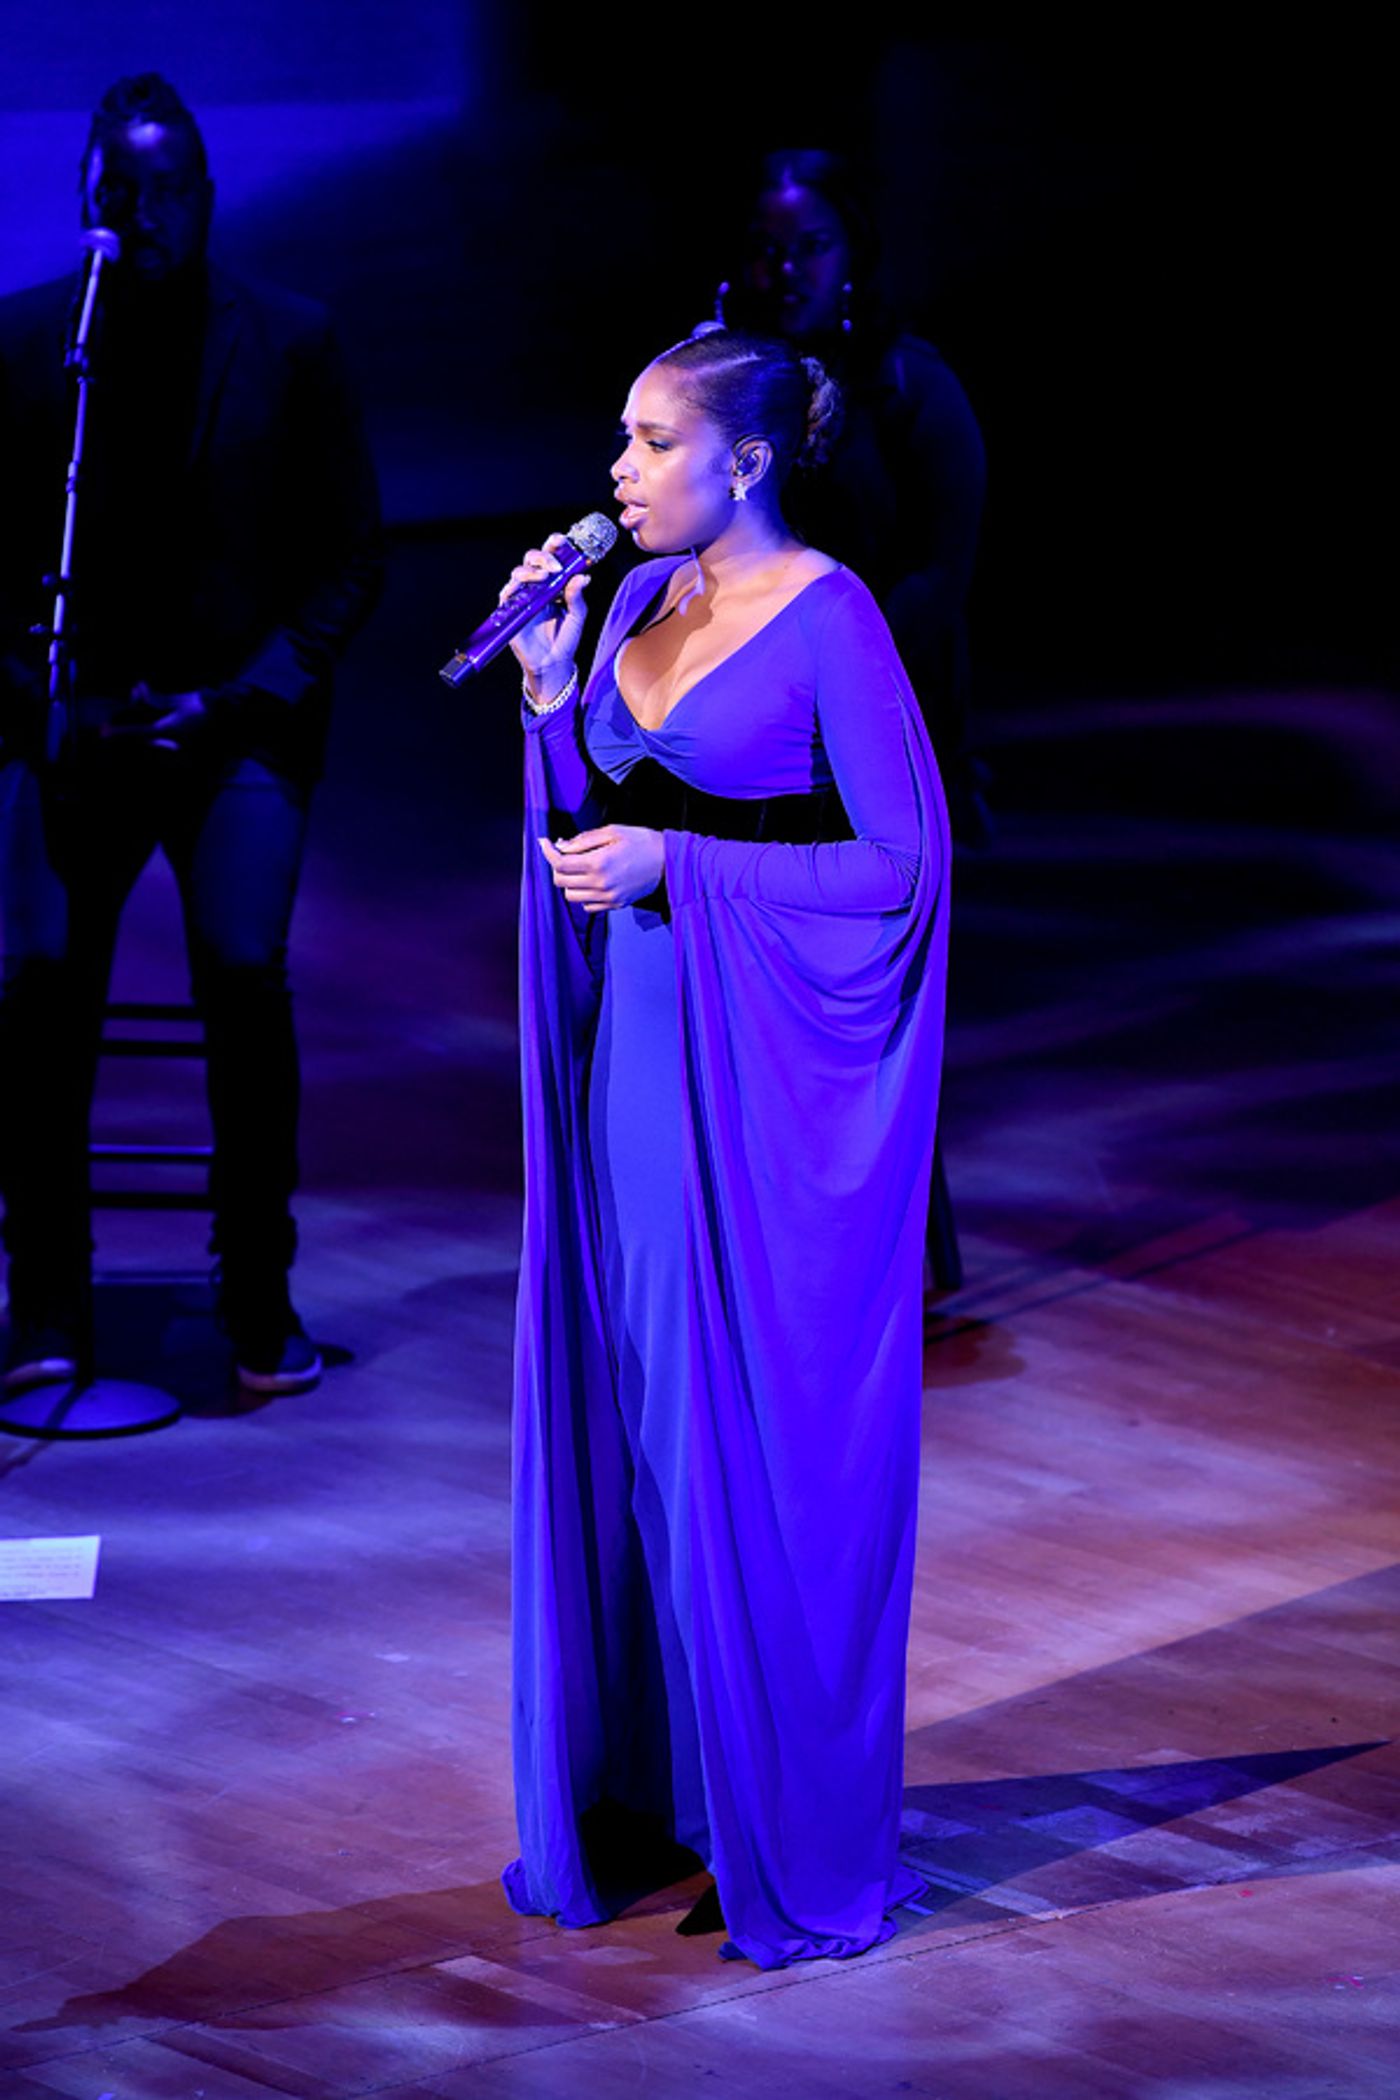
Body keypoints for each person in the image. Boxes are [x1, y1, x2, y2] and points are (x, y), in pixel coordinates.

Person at [498, 327, 950, 1968]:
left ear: (740, 460)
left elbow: (899, 871)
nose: (614, 472)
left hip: (757, 1073)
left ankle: (778, 1803)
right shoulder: (629, 600)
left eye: (648, 442)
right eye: (617, 437)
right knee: (636, 1420)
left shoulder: (833, 621)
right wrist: (552, 679)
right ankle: (672, 1785)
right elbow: (577, 821)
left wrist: (687, 865)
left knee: (727, 1428)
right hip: (636, 1058)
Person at [0, 75, 382, 1394]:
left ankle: (256, 1292)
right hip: (79, 727)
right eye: (122, 190)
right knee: (37, 981)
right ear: (91, 201)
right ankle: (45, 1302)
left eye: (168, 190)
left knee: (240, 969)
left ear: (205, 199)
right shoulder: (31, 344)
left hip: (232, 729)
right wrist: (48, 697)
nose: (145, 212)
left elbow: (348, 560)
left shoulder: (292, 340)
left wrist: (233, 699)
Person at [719, 149, 988, 842]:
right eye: (766, 250)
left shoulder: (910, 384)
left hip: (887, 700)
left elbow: (941, 569)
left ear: (851, 253)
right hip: (754, 715)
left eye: (811, 248)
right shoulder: (719, 382)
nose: (786, 272)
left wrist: (842, 674)